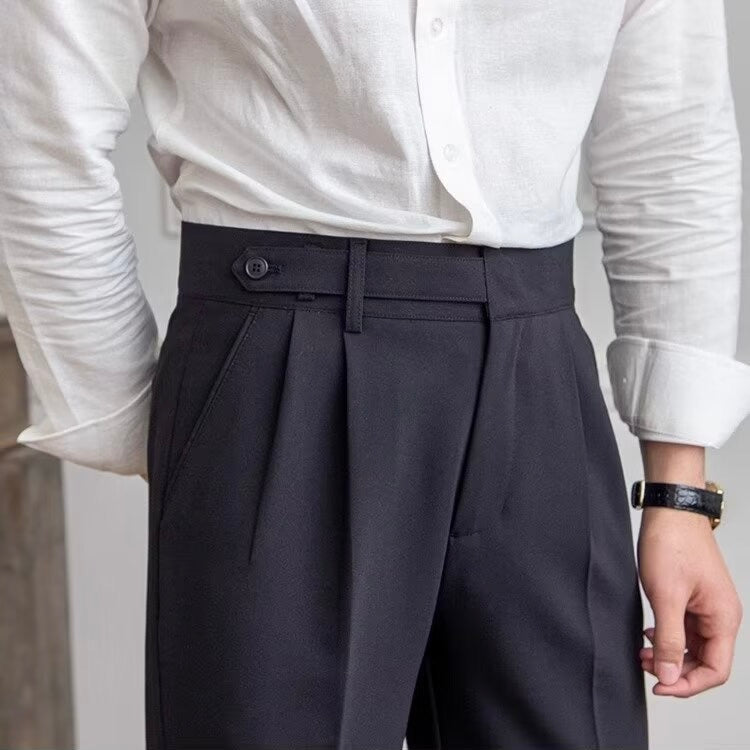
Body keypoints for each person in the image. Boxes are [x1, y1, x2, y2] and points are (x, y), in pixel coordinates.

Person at [0, 1, 747, 748]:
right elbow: (40, 125)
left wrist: (680, 493)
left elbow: (672, 146)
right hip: (282, 364)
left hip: (540, 375)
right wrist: (151, 422)